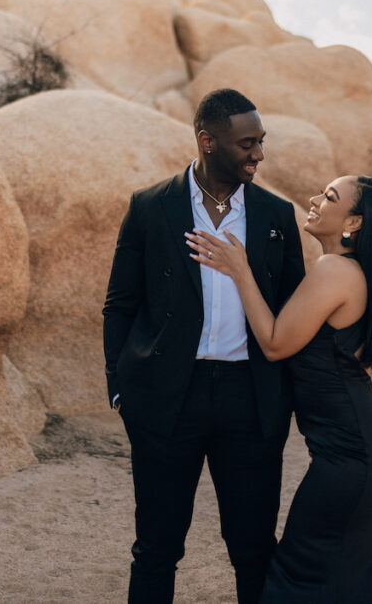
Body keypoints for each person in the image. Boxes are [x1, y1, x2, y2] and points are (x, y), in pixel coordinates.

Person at [185, 174, 372, 603]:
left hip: (353, 456)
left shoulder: (335, 270)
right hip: (368, 448)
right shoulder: (350, 271)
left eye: (329, 197)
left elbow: (274, 343)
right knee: (363, 578)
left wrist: (239, 271)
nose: (314, 199)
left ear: (354, 222)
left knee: (297, 574)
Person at [102, 88, 305, 603]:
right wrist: (120, 389)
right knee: (157, 546)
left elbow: (292, 313)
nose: (259, 154)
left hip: (251, 400)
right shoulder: (151, 207)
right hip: (168, 397)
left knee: (253, 545)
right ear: (207, 141)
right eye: (247, 143)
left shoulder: (276, 217)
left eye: (261, 142)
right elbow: (120, 305)